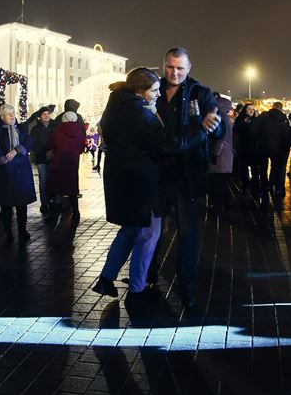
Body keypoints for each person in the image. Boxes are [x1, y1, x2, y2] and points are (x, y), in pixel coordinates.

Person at [148, 47, 222, 309]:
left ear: (189, 68)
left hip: (187, 174)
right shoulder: (154, 90)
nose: (175, 73)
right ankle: (148, 274)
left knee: (187, 234)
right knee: (151, 230)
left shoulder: (200, 93)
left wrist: (214, 124)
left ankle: (186, 285)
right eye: (170, 67)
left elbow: (217, 128)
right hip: (157, 173)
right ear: (163, 65)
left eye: (180, 68)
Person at [93, 68, 167, 298]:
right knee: (148, 235)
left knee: (129, 231)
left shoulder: (116, 107)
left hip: (124, 181)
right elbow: (163, 143)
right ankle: (137, 288)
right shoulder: (138, 114)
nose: (158, 94)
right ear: (139, 91)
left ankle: (106, 279)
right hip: (142, 183)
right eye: (154, 90)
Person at [0, 104, 36, 241]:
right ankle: (8, 232)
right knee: (6, 204)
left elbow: (29, 142)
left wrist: (17, 150)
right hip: (5, 172)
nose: (12, 116)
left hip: (21, 171)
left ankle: (22, 230)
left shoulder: (21, 128)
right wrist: (2, 159)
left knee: (22, 204)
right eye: (8, 114)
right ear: (2, 117)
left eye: (13, 113)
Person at [45, 111, 87, 223]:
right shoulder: (80, 131)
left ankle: (53, 214)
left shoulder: (58, 131)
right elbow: (81, 148)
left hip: (58, 162)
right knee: (72, 188)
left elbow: (51, 144)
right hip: (73, 163)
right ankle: (76, 212)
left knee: (55, 187)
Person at [257, 101, 291, 210]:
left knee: (263, 169)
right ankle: (277, 189)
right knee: (277, 168)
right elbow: (287, 136)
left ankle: (264, 187)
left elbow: (256, 130)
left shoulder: (263, 116)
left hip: (263, 147)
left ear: (272, 107)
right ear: (281, 108)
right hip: (278, 149)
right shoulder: (284, 119)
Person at [208, 95, 235, 214]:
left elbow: (220, 139)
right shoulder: (226, 118)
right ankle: (226, 204)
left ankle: (219, 205)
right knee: (223, 182)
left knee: (218, 182)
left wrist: (215, 154)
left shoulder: (220, 118)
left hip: (221, 155)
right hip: (227, 154)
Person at [233, 102, 259, 196]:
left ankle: (255, 186)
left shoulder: (255, 120)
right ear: (245, 110)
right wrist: (244, 123)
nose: (252, 111)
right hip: (243, 148)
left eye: (253, 109)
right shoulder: (240, 119)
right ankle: (245, 186)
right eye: (249, 109)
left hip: (254, 148)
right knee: (244, 168)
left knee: (254, 168)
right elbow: (236, 130)